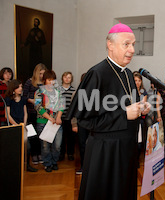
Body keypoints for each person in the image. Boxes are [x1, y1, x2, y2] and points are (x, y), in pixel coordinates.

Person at [66, 23, 150, 200]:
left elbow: (128, 105)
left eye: (133, 44)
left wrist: (141, 108)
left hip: (127, 149)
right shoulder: (96, 74)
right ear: (110, 45)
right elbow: (85, 120)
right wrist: (124, 114)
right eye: (126, 44)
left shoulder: (127, 74)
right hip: (105, 152)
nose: (132, 49)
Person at [34, 70, 64, 172]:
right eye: (49, 80)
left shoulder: (58, 91)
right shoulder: (38, 92)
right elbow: (38, 107)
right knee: (45, 146)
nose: (51, 82)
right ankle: (47, 163)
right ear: (44, 80)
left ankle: (54, 161)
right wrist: (49, 118)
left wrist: (58, 117)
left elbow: (61, 105)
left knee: (57, 145)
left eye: (53, 80)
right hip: (43, 122)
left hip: (56, 123)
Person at [4, 79, 38, 172]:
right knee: (15, 148)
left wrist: (24, 123)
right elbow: (7, 115)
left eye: (21, 87)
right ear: (13, 88)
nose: (20, 88)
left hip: (23, 125)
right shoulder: (8, 99)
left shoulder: (23, 99)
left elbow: (25, 112)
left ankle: (27, 165)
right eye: (18, 87)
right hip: (13, 127)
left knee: (27, 147)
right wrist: (16, 125)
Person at [23, 63, 47, 164]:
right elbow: (24, 96)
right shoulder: (29, 82)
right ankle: (34, 154)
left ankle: (41, 154)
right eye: (40, 73)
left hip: (42, 113)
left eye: (43, 73)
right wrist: (33, 101)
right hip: (31, 112)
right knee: (32, 134)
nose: (42, 76)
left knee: (42, 135)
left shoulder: (46, 83)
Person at [59, 72, 76, 161]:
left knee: (71, 137)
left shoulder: (73, 91)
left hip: (70, 117)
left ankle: (70, 153)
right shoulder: (58, 90)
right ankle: (61, 154)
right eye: (65, 77)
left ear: (71, 79)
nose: (67, 79)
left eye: (69, 77)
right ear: (62, 78)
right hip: (60, 117)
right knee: (61, 137)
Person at [133, 71, 148, 168]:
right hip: (130, 119)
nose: (137, 83)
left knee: (139, 142)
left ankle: (136, 160)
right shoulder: (129, 91)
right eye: (135, 80)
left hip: (140, 119)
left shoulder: (143, 92)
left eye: (139, 80)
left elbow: (142, 107)